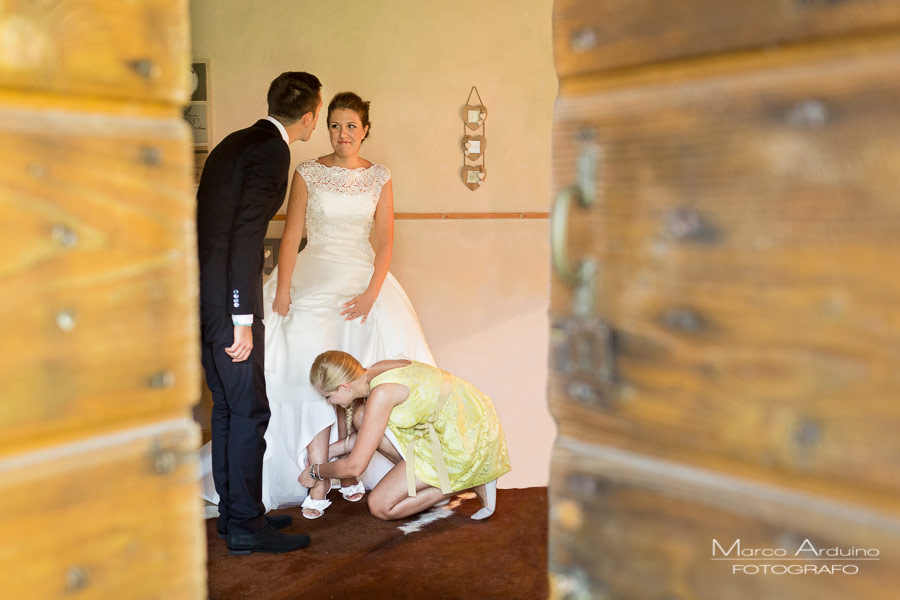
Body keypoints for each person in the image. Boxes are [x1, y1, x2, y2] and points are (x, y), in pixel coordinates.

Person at [261, 92, 436, 519]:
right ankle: (318, 473)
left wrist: (373, 293)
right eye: (336, 125)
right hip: (314, 272)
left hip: (361, 277)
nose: (344, 134)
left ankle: (353, 472)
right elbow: (291, 236)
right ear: (326, 127)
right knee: (304, 364)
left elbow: (386, 239)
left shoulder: (380, 175)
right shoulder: (307, 172)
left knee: (363, 368)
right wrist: (283, 288)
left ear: (366, 130)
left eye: (352, 126)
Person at [196, 71, 321, 555]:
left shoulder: (231, 144)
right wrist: (242, 318)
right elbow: (246, 236)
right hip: (230, 308)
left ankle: (235, 515)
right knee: (249, 412)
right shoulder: (273, 151)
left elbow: (210, 230)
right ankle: (247, 524)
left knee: (228, 410)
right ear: (309, 116)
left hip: (205, 301)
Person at [300, 351, 511, 521]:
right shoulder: (377, 371)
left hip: (465, 442)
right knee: (361, 416)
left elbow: (355, 467)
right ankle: (437, 481)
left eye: (328, 396)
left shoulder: (381, 394)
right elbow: (368, 435)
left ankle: (472, 478)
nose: (329, 402)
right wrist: (330, 451)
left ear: (344, 387)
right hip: (461, 426)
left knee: (381, 506)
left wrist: (316, 471)